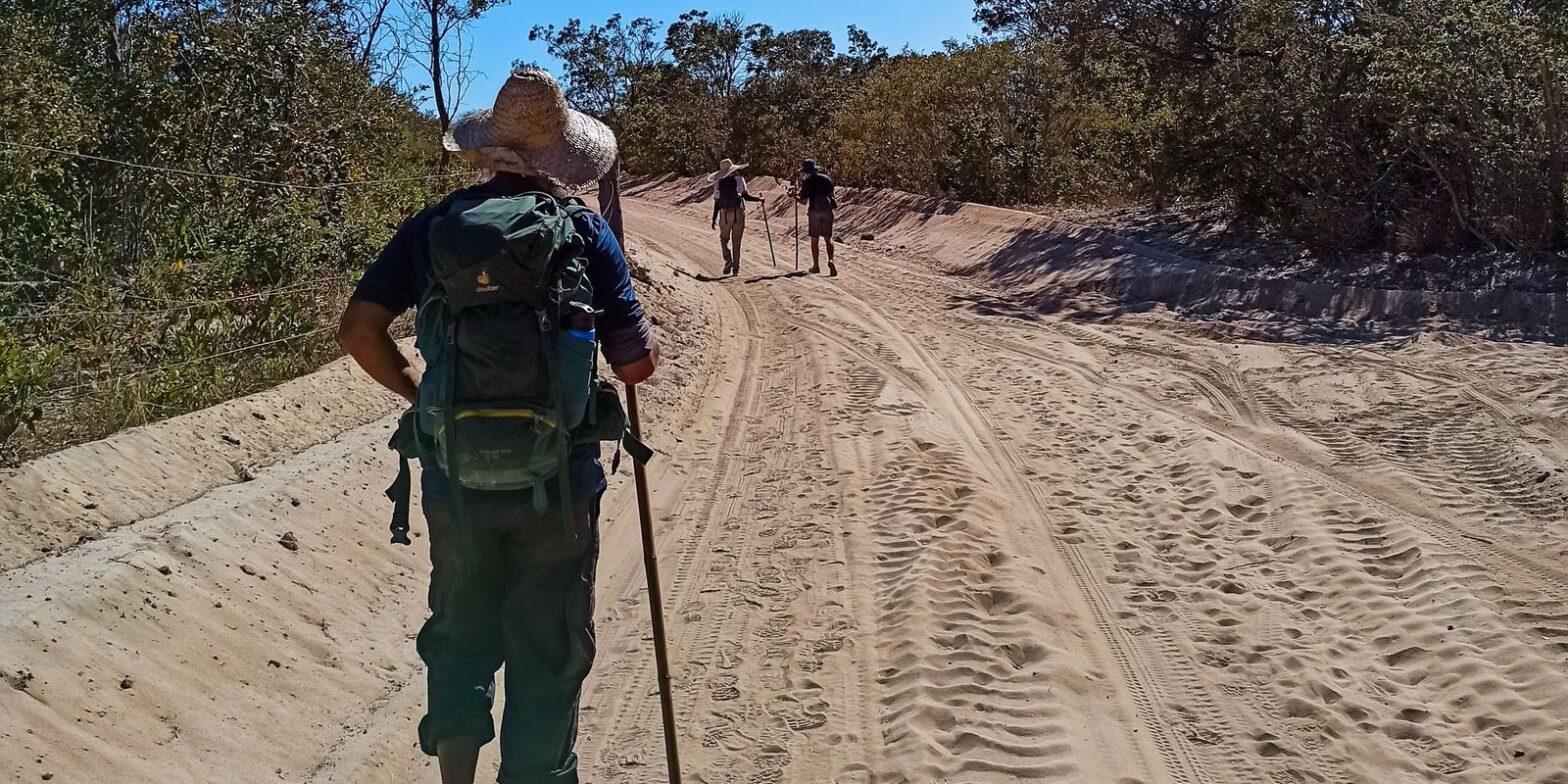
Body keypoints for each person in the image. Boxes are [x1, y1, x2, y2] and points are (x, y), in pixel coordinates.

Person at [336, 68, 657, 784]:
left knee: (460, 633)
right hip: (559, 484)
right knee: (549, 649)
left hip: (455, 476)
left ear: (489, 151)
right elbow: (635, 366)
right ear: (561, 157)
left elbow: (358, 330)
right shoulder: (582, 230)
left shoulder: (433, 229)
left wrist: (420, 397)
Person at [708, 158, 763, 276]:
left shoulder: (718, 181)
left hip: (725, 214)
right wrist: (759, 199)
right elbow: (746, 196)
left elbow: (717, 201)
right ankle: (736, 270)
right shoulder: (739, 179)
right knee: (736, 242)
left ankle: (728, 259)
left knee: (724, 239)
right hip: (738, 212)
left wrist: (714, 218)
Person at [793, 158, 837, 276]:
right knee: (828, 238)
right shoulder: (826, 178)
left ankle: (816, 266)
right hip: (827, 210)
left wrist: (795, 197)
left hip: (814, 211)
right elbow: (832, 195)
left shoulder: (807, 183)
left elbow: (803, 202)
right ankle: (831, 260)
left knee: (814, 239)